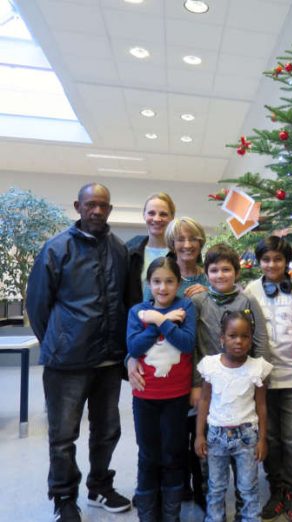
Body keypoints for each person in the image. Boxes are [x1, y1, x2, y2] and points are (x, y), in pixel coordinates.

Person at [26, 183, 131, 522]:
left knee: (107, 430)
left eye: (102, 205)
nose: (96, 211)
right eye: (90, 205)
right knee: (63, 435)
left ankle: (99, 486)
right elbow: (38, 304)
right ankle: (63, 497)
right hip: (66, 362)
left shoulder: (118, 249)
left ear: (110, 210)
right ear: (78, 206)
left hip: (108, 361)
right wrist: (59, 341)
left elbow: (125, 301)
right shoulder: (57, 249)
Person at [190, 243, 269, 510]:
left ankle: (243, 504)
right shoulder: (198, 301)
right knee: (212, 449)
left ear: (236, 272)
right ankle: (211, 505)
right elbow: (191, 344)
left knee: (244, 460)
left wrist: (258, 375)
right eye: (214, 270)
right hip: (210, 383)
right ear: (206, 272)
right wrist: (194, 384)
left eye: (226, 269)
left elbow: (259, 340)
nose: (220, 275)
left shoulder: (246, 300)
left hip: (242, 381)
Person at [244, 236, 292, 521]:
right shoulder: (250, 290)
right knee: (269, 436)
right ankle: (277, 489)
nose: (272, 264)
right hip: (263, 379)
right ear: (259, 262)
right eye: (267, 259)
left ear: (287, 262)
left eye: (278, 259)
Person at [127, 257, 197, 521]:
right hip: (145, 396)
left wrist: (160, 321)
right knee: (148, 453)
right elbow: (134, 348)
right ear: (149, 283)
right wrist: (162, 320)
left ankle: (171, 513)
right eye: (157, 281)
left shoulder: (186, 306)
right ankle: (148, 513)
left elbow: (187, 344)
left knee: (173, 453)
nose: (163, 288)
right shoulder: (137, 312)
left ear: (178, 283)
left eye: (169, 281)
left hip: (176, 397)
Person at [195, 311, 272, 522]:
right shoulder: (210, 366)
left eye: (245, 336)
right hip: (216, 436)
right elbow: (204, 401)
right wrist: (199, 435)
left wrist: (263, 439)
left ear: (251, 338)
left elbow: (262, 405)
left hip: (247, 437)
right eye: (232, 335)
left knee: (248, 488)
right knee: (216, 487)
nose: (238, 341)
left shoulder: (257, 368)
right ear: (222, 338)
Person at [126, 192, 176, 307]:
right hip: (136, 321)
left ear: (172, 217)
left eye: (163, 214)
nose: (157, 219)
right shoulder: (130, 253)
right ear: (144, 215)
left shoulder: (180, 254)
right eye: (151, 213)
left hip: (172, 321)